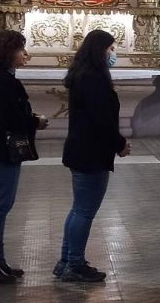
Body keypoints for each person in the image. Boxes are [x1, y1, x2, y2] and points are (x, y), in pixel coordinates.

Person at [56, 30, 131, 282]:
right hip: (91, 152)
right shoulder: (93, 80)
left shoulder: (83, 75)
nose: (113, 53)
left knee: (79, 209)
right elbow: (102, 120)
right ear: (99, 50)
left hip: (82, 149)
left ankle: (67, 260)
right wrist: (119, 144)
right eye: (110, 49)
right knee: (85, 211)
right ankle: (74, 265)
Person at [0, 30, 48, 284]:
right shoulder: (3, 81)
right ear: (8, 52)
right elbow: (10, 118)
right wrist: (35, 121)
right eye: (21, 49)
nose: (25, 54)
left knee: (1, 208)